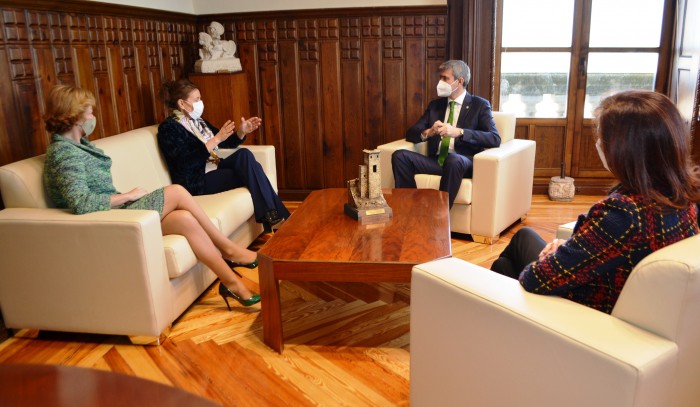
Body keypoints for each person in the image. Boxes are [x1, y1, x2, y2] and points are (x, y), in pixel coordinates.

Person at [42, 85, 261, 310]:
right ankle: (228, 249)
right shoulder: (63, 153)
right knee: (176, 191)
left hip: (115, 212)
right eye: (89, 112)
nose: (92, 117)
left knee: (185, 219)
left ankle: (232, 283)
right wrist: (126, 196)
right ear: (75, 116)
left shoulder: (79, 146)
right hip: (106, 220)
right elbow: (81, 202)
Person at [490, 90, 700, 314]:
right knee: (515, 250)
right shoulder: (684, 194)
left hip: (592, 309)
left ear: (624, 149)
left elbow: (535, 279)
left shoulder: (623, 215)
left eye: (603, 137)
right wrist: (567, 248)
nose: (599, 143)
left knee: (510, 259)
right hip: (632, 296)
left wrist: (553, 256)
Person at [157, 79, 289, 233]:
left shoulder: (198, 122)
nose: (201, 103)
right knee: (253, 171)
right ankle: (278, 217)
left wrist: (241, 132)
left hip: (214, 167)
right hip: (195, 181)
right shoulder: (168, 129)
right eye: (197, 99)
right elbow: (184, 162)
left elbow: (223, 145)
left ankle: (272, 217)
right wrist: (216, 139)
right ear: (182, 103)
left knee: (244, 155)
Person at [391, 60, 501, 208]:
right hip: (437, 161)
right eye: (440, 78)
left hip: (463, 162)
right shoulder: (436, 106)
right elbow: (411, 133)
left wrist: (460, 132)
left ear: (460, 81)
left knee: (454, 160)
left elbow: (494, 138)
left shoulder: (479, 105)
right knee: (400, 156)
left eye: (445, 78)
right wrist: (429, 132)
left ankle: (438, 218)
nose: (440, 82)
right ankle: (410, 210)